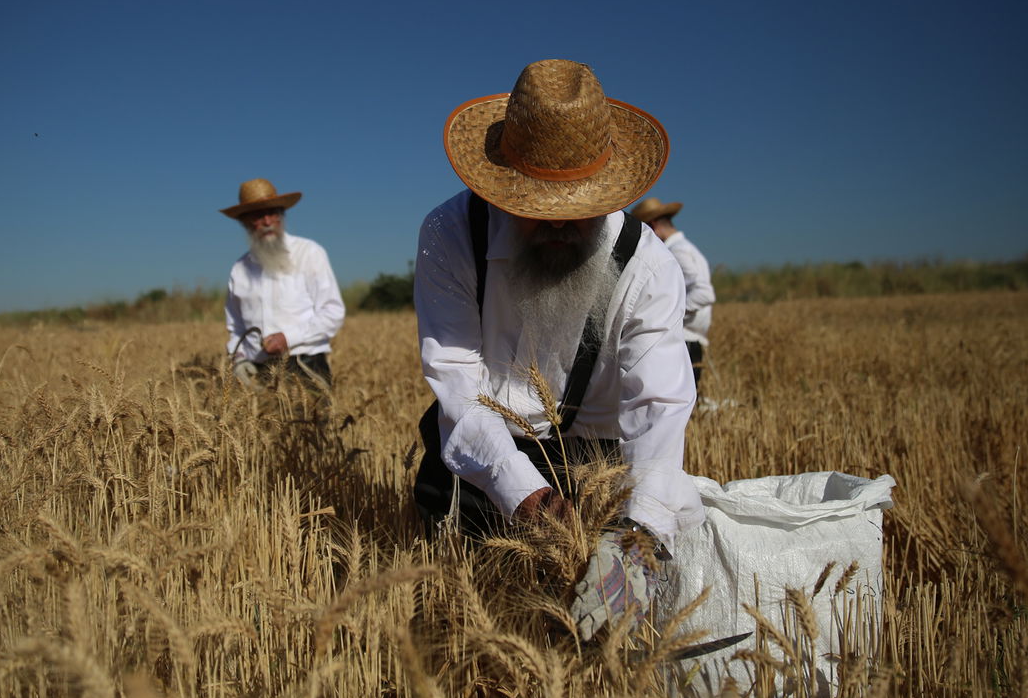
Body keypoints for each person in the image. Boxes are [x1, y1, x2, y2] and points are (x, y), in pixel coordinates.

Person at [411, 59, 704, 641]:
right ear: (504, 191)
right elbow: (459, 387)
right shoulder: (450, 235)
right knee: (461, 622)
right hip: (477, 451)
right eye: (539, 210)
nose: (560, 226)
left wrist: (637, 533)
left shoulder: (648, 267)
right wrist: (524, 492)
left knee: (592, 634)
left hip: (594, 458)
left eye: (578, 210)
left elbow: (660, 406)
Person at [220, 177, 345, 390]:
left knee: (312, 424)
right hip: (258, 374)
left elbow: (332, 312)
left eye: (273, 213)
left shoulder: (309, 253)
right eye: (259, 215)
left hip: (306, 368)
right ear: (245, 222)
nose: (268, 221)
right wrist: (239, 358)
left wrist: (288, 338)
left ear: (281, 215)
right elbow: (236, 328)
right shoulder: (239, 269)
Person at [630, 196, 715, 389]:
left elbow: (704, 293)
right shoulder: (686, 248)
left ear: (652, 226)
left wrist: (668, 314)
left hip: (685, 339)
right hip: (688, 339)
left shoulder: (677, 252)